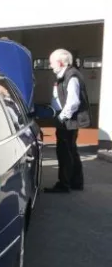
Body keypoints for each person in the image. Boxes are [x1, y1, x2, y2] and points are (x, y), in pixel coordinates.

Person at [44, 48, 91, 193]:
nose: (50, 66)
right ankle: (75, 182)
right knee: (71, 151)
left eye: (51, 63)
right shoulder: (64, 76)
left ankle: (64, 184)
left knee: (65, 152)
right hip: (67, 118)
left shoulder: (72, 76)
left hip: (68, 120)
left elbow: (73, 103)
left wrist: (60, 117)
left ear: (59, 62)